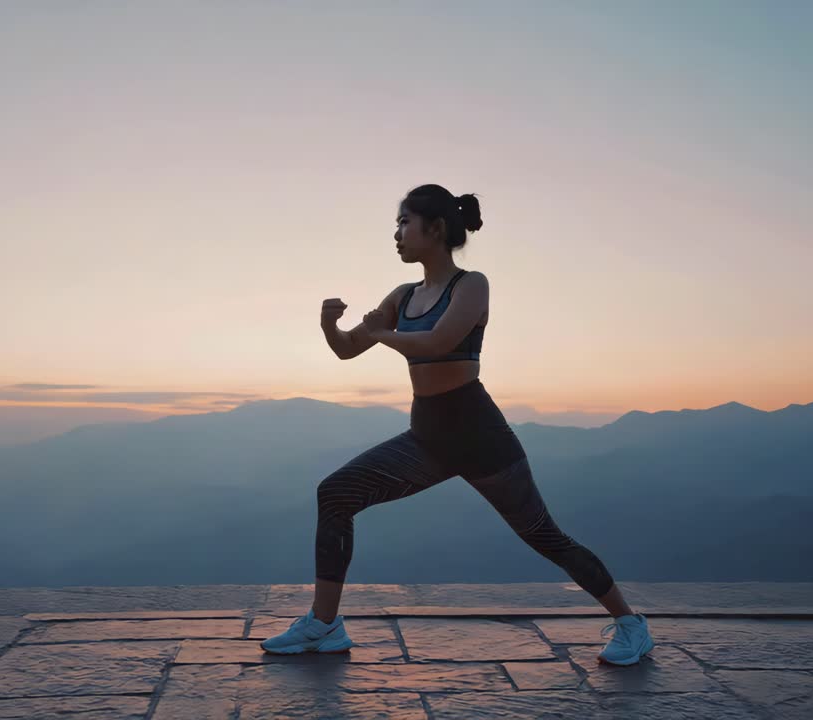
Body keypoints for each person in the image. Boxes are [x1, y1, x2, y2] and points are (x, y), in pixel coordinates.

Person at [260, 184, 655, 665]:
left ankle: (630, 624)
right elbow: (347, 348)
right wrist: (329, 326)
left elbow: (439, 341)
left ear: (437, 228)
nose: (397, 235)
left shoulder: (472, 285)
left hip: (480, 438)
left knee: (542, 534)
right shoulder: (402, 295)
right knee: (336, 493)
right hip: (428, 439)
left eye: (405, 222)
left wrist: (383, 333)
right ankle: (324, 626)